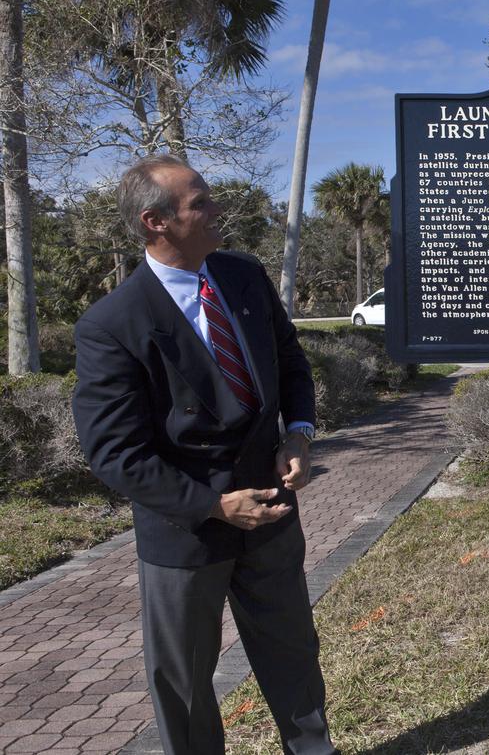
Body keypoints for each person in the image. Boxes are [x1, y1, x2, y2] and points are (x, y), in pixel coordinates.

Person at [72, 155, 336, 755]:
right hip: (186, 532)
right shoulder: (113, 323)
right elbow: (114, 452)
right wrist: (215, 505)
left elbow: (290, 362)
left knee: (292, 654)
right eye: (201, 203)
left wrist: (297, 433)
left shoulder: (244, 276)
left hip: (271, 513)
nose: (219, 210)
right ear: (154, 222)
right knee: (185, 683)